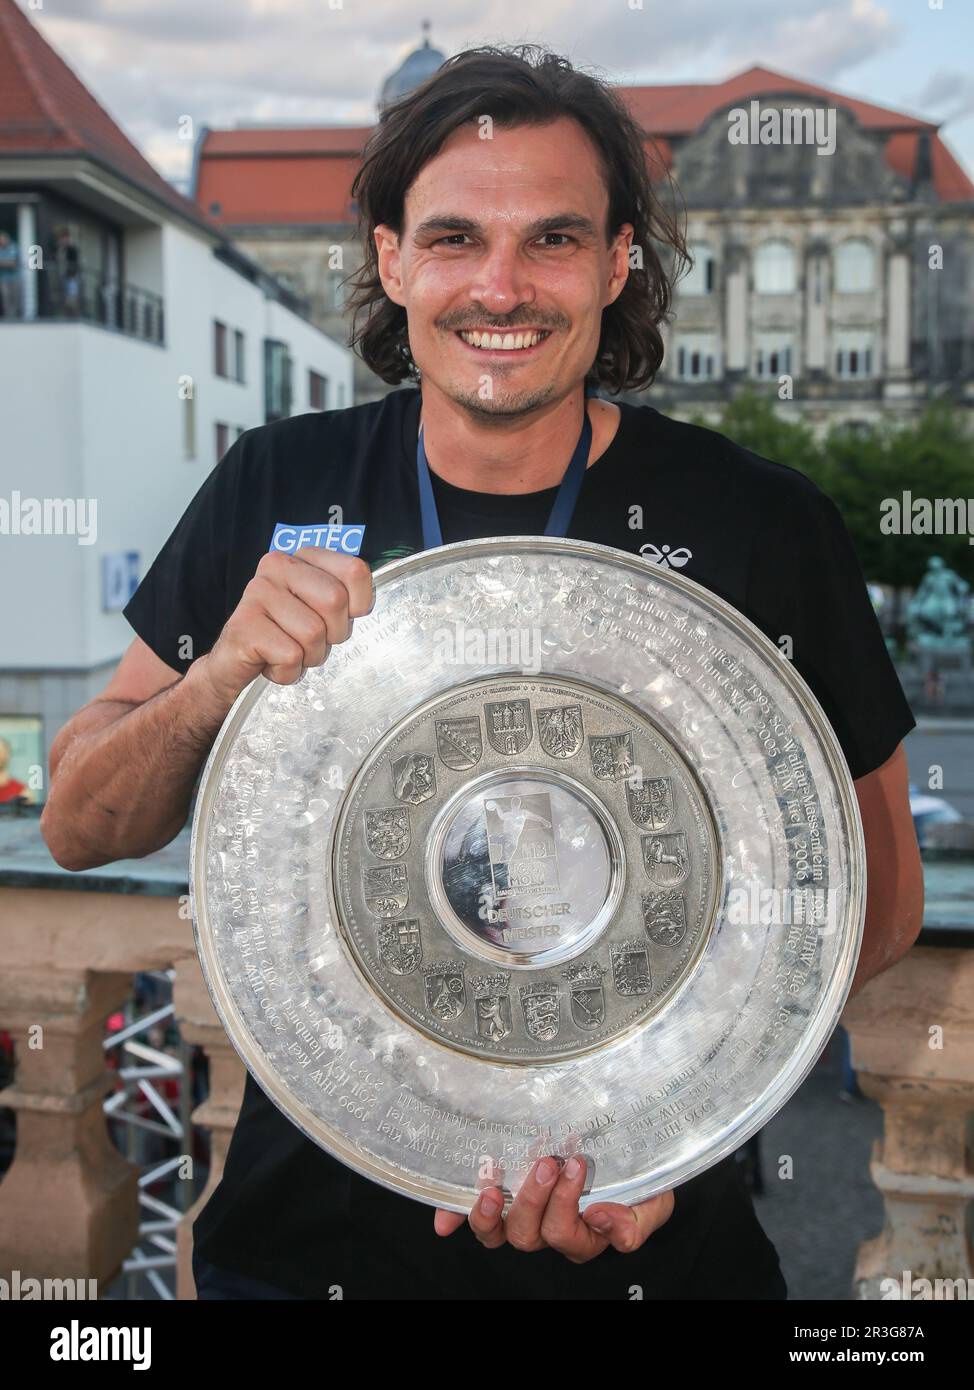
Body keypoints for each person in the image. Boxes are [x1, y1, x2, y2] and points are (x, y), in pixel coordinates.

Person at [41, 45, 924, 1301]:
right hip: (310, 1263)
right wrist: (216, 676)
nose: (498, 288)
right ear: (391, 257)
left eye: (552, 240)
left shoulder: (762, 523)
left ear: (618, 262)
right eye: (453, 238)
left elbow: (879, 898)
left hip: (653, 1245)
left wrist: (683, 1113)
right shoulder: (276, 484)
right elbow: (78, 823)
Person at [0, 230, 20, 320]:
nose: (1, 241)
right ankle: (8, 317)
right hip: (4, 278)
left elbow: (14, 263)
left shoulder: (13, 247)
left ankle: (15, 317)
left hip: (15, 277)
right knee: (6, 297)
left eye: (3, 239)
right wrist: (7, 263)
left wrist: (4, 263)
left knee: (15, 297)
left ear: (7, 239)